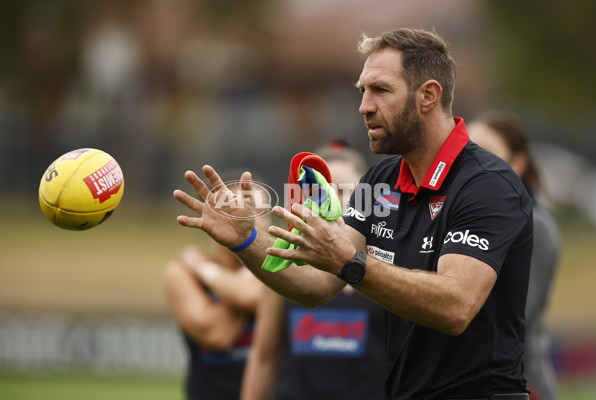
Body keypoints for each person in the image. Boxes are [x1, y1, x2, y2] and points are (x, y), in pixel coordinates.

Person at [174, 28, 533, 399]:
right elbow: (316, 285)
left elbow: (456, 306)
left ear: (428, 95)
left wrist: (352, 262)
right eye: (362, 91)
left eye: (380, 90)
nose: (364, 106)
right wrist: (247, 239)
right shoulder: (382, 179)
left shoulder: (487, 184)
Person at [241, 141, 387, 400]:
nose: (331, 199)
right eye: (320, 190)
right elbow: (264, 358)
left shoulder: (386, 266)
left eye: (344, 191)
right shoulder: (285, 263)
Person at [468, 111, 561, 400]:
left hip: (521, 383)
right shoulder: (476, 215)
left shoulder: (534, 224)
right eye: (466, 149)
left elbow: (514, 314)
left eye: (485, 151)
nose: (471, 161)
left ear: (518, 164)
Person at [164, 177, 269, 400]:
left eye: (258, 211)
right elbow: (217, 334)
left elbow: (248, 295)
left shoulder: (286, 271)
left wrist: (205, 269)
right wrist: (249, 275)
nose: (248, 219)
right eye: (233, 211)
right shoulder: (183, 273)